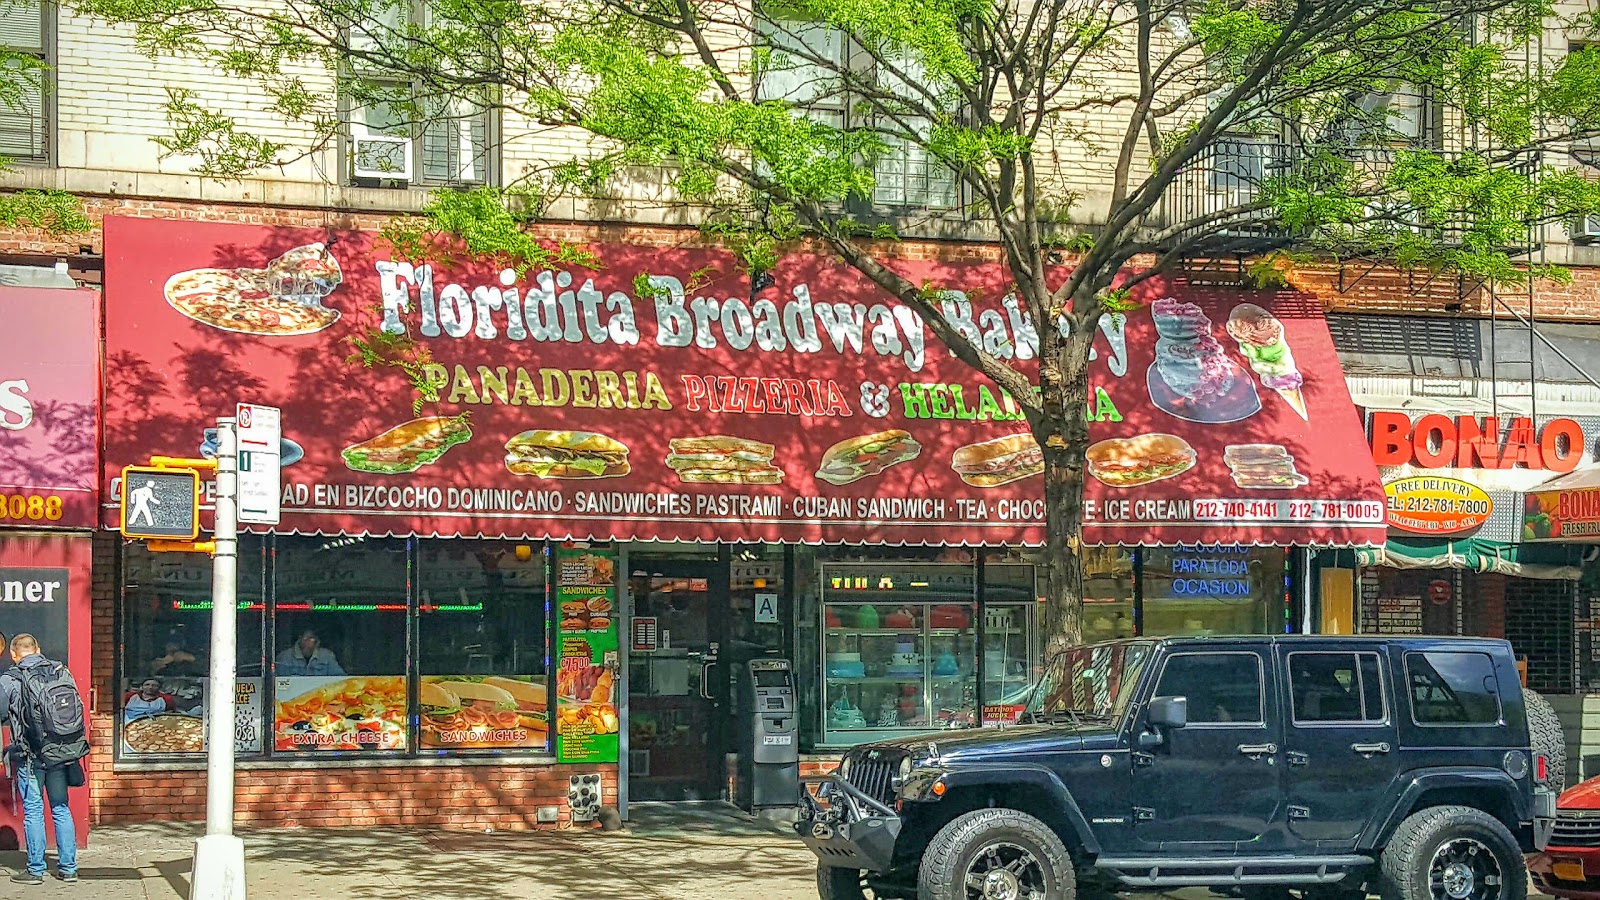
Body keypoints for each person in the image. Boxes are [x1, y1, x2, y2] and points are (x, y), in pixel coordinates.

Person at [0, 634, 81, 884]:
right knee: (61, 807)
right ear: (38, 649)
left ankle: (36, 870)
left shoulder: (9, 679)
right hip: (60, 752)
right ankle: (68, 868)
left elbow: (2, 713)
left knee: (34, 810)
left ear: (14, 655)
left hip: (30, 754)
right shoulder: (60, 671)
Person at [276, 629, 344, 677]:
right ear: (299, 639)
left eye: (311, 639)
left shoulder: (327, 656)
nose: (307, 642)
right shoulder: (285, 657)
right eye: (305, 638)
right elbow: (275, 681)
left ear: (317, 642)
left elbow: (339, 678)